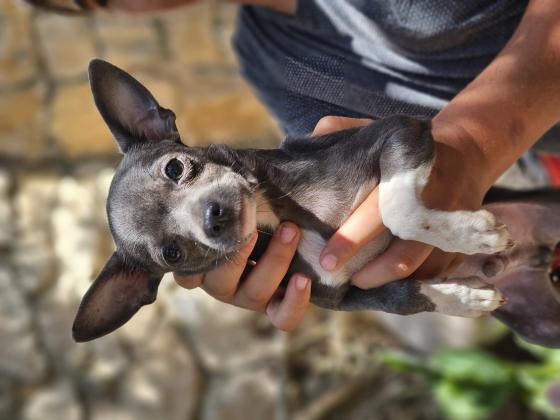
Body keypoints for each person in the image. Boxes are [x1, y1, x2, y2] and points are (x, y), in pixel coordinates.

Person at [28, 0, 560, 331]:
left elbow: (456, 163)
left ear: (150, 123)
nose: (202, 216)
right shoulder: (273, 67)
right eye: (95, 1)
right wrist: (367, 272)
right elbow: (422, 194)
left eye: (176, 173)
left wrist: (473, 145)